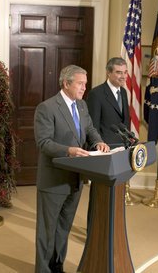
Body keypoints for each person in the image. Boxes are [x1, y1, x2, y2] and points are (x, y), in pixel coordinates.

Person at [34, 64, 109, 273]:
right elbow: (43, 142)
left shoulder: (82, 106)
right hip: (53, 180)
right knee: (47, 231)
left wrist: (98, 142)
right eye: (80, 83)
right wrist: (69, 151)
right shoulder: (47, 108)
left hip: (76, 179)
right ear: (66, 83)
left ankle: (57, 267)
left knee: (64, 228)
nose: (84, 88)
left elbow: (90, 129)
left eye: (85, 84)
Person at [87, 57, 130, 146]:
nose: (123, 76)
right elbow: (93, 126)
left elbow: (124, 121)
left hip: (123, 146)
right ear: (108, 73)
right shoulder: (96, 93)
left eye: (125, 72)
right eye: (119, 72)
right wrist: (99, 145)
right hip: (105, 148)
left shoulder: (123, 92)